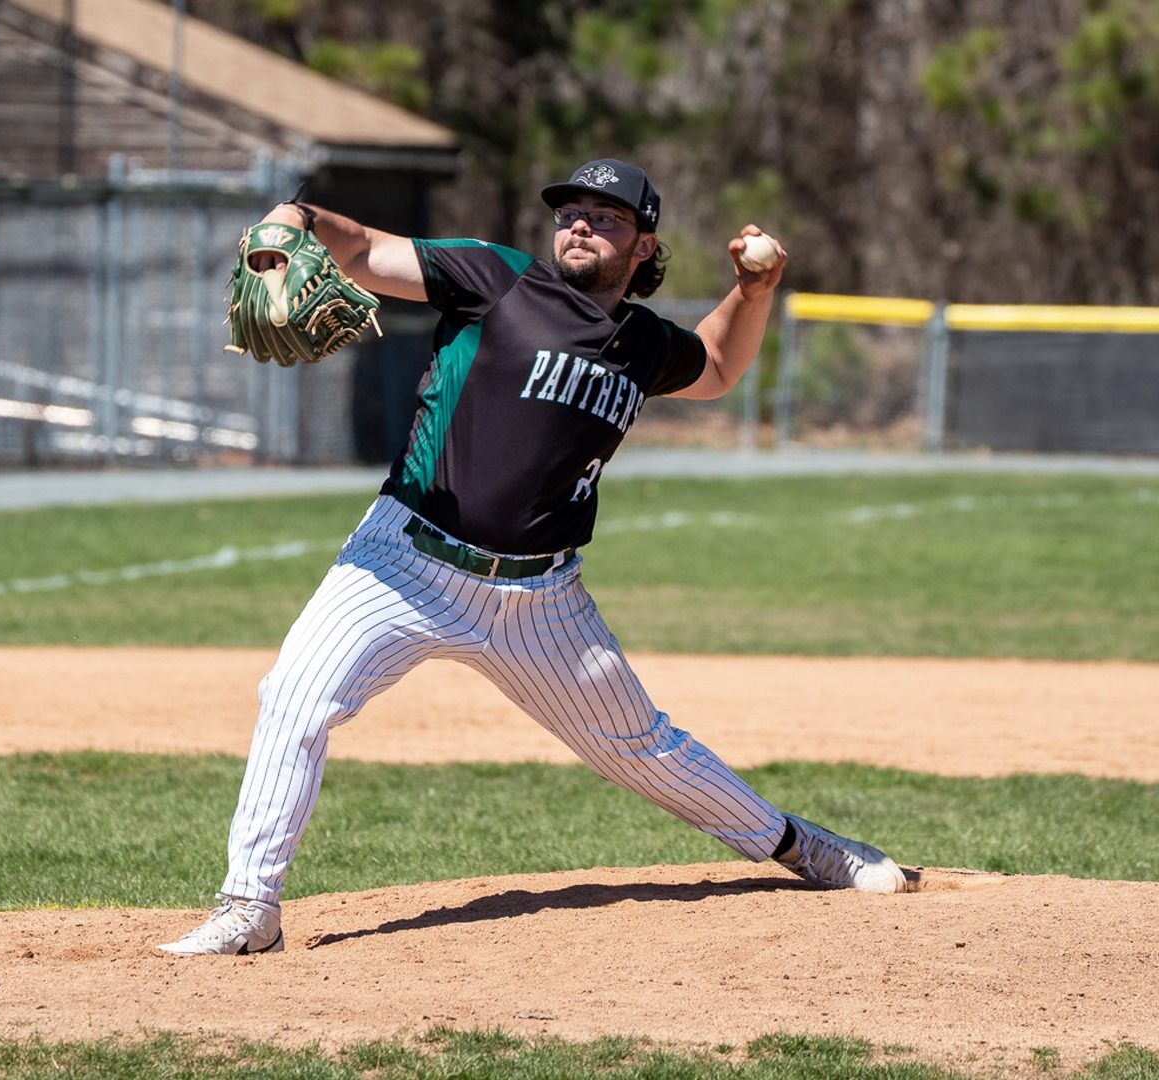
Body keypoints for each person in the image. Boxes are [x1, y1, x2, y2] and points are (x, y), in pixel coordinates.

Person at [159, 158, 910, 958]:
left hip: (541, 601)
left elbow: (719, 367)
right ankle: (250, 908)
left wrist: (753, 293)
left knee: (642, 747)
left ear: (645, 246)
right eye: (570, 211)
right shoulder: (496, 279)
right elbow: (360, 248)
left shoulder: (644, 344)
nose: (580, 223)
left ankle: (802, 846)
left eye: (607, 215)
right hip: (403, 563)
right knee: (295, 698)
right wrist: (287, 228)